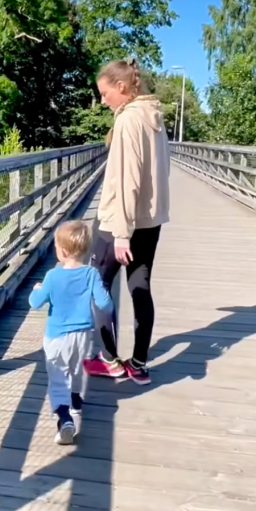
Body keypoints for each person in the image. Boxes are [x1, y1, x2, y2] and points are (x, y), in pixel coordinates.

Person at [83, 58, 171, 386]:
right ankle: (139, 364)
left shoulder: (128, 121)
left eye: (105, 93)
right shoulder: (155, 118)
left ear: (121, 88)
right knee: (140, 289)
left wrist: (121, 234)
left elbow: (127, 180)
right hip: (150, 221)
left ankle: (109, 360)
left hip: (119, 223)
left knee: (99, 288)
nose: (102, 100)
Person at [29, 220, 113, 445]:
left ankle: (64, 419)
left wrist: (36, 290)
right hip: (84, 337)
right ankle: (76, 409)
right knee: (77, 373)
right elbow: (105, 305)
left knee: (58, 378)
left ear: (63, 251)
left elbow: (35, 302)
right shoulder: (92, 274)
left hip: (57, 338)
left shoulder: (52, 276)